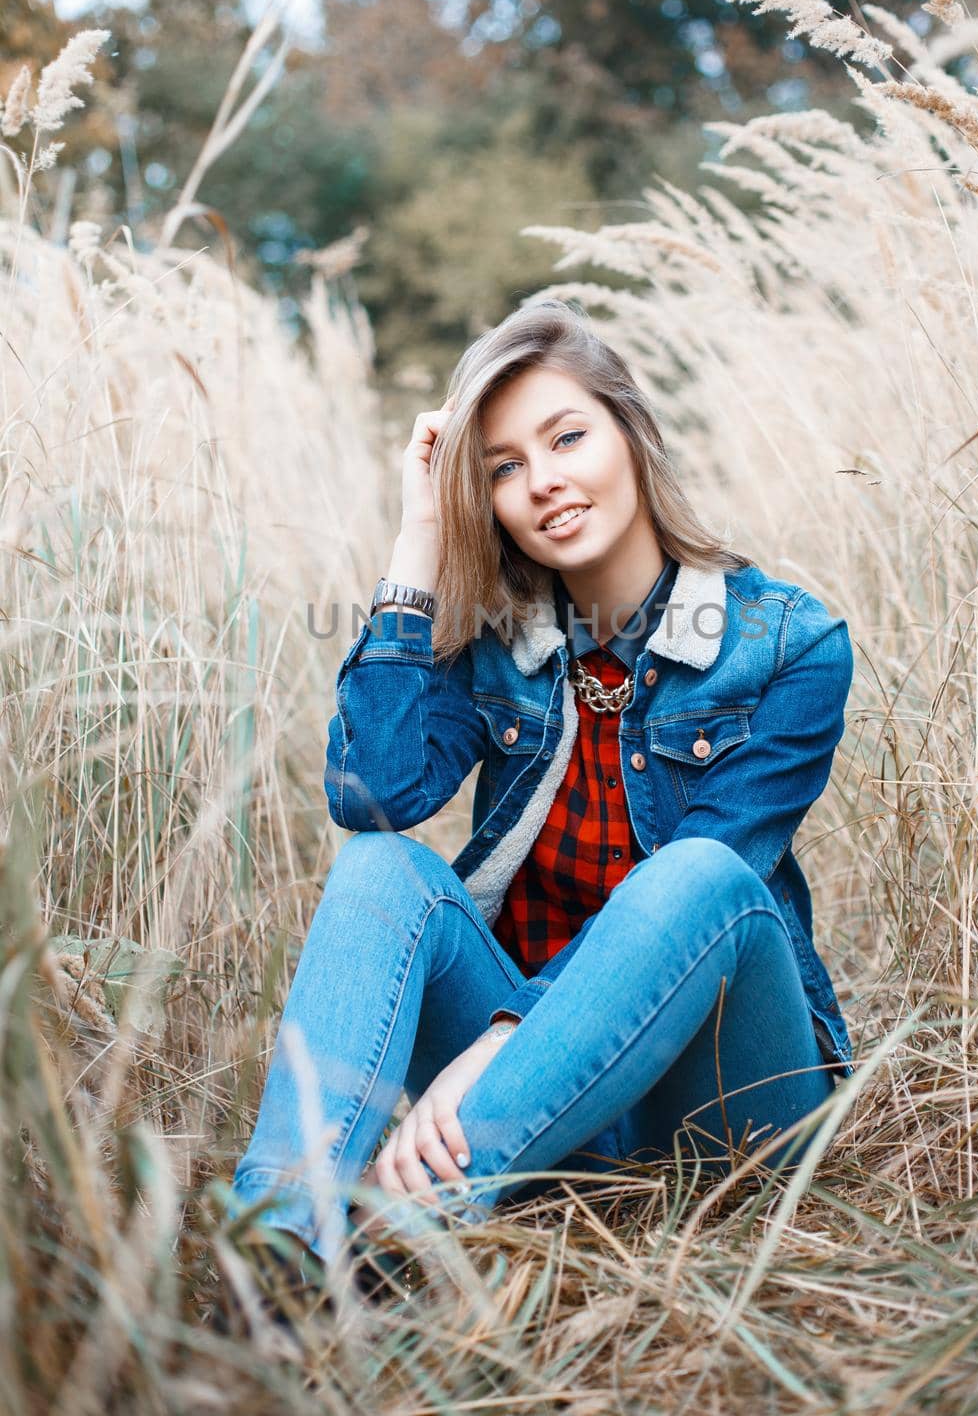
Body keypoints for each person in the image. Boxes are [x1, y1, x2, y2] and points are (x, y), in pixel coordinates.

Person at [223, 299, 855, 1275]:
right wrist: (420, 536)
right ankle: (278, 1242)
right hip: (548, 1119)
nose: (544, 481)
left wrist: (506, 1037)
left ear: (630, 434)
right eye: (503, 468)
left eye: (567, 437)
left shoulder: (787, 643)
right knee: (382, 866)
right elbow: (371, 791)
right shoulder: (498, 643)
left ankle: (403, 1238)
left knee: (694, 873)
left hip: (722, 1117)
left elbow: (725, 873)